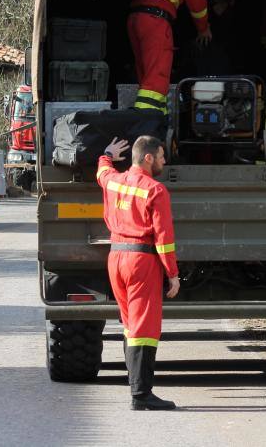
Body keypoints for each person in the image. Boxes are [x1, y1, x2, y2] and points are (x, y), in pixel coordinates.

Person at [97, 135, 181, 410]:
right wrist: (172, 273)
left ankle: (135, 387)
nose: (164, 161)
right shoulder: (155, 190)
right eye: (161, 156)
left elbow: (102, 171)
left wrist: (107, 153)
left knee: (130, 326)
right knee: (144, 328)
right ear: (148, 158)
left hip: (116, 257)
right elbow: (164, 238)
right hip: (141, 261)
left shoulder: (114, 181)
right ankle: (141, 395)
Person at [128, 0, 212, 114]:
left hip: (136, 19)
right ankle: (148, 123)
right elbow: (197, 5)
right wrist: (203, 28)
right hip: (156, 21)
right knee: (156, 77)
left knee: (146, 75)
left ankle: (159, 117)